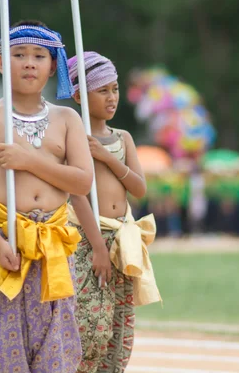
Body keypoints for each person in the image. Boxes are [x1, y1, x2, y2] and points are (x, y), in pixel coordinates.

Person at [0, 20, 93, 373]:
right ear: (2, 62)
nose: (29, 63)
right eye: (19, 55)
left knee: (55, 341)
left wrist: (30, 160)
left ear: (52, 66)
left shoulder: (67, 119)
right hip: (5, 242)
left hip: (54, 246)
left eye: (38, 56)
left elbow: (82, 181)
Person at [66, 51, 161, 372]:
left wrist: (107, 158)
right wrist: (96, 247)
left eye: (115, 89)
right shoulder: (73, 136)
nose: (112, 98)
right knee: (90, 322)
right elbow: (77, 195)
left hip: (123, 240)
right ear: (79, 95)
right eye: (102, 90)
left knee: (120, 326)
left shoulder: (123, 138)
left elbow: (138, 188)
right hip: (88, 240)